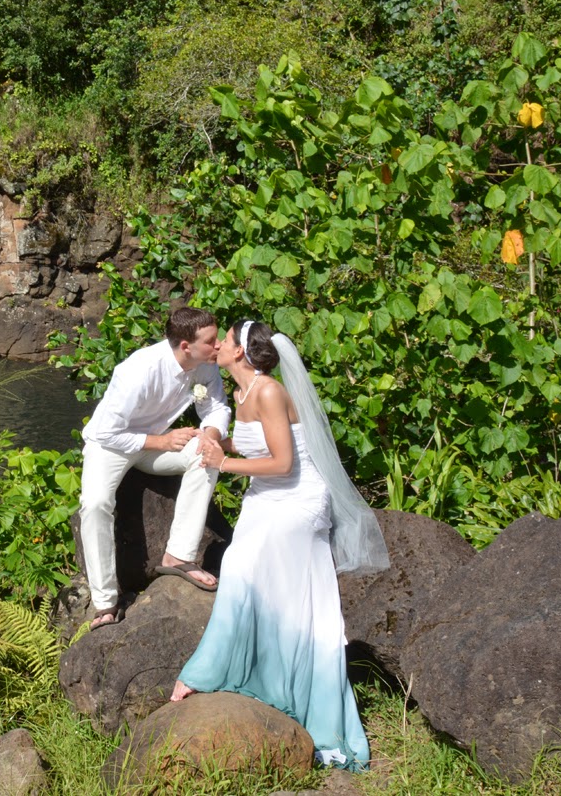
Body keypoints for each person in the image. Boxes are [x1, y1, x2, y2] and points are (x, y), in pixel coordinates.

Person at [170, 319, 390, 770]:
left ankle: (209, 672)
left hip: (297, 499)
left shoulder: (269, 391)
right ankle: (265, 678)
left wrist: (223, 463)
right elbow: (257, 442)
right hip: (265, 498)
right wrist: (213, 439)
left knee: (246, 569)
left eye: (226, 340)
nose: (219, 345)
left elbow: (285, 463)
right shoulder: (243, 392)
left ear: (240, 352)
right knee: (244, 570)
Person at [78, 305, 231, 630]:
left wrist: (210, 436)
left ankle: (179, 555)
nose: (218, 345)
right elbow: (106, 432)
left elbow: (216, 407)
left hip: (157, 443)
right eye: (211, 341)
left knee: (207, 455)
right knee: (95, 504)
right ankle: (105, 603)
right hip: (110, 446)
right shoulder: (138, 370)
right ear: (186, 346)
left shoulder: (204, 363)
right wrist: (161, 441)